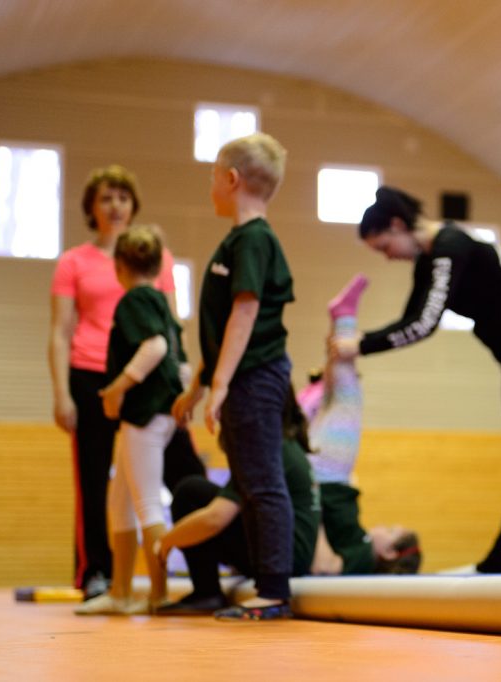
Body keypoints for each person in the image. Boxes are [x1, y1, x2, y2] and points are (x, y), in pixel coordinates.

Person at [331, 186, 501, 573]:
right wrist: (364, 342)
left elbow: (424, 323)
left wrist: (361, 344)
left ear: (397, 225)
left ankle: (496, 565)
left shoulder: (449, 247)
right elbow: (411, 320)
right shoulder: (430, 261)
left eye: (384, 246)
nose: (388, 257)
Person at [48, 165, 204, 600]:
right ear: (91, 208)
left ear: (133, 205)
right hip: (93, 375)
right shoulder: (74, 261)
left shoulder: (156, 258)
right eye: (106, 198)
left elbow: (168, 330)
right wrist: (62, 393)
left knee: (183, 473)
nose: (115, 205)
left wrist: (185, 385)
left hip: (149, 383)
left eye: (122, 197)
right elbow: (60, 332)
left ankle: (200, 567)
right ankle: (99, 574)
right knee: (100, 482)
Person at [156, 381, 420, 616]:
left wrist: (164, 543)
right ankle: (210, 590)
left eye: (390, 531)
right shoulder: (287, 447)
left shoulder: (272, 449)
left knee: (191, 492)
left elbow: (216, 517)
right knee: (198, 492)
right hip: (291, 556)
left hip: (286, 560)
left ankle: (209, 592)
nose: (383, 528)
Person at [172, 132, 296, 621]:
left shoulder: (254, 239)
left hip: (256, 377)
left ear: (231, 179)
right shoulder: (239, 240)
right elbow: (222, 326)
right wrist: (199, 385)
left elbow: (244, 313)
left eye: (211, 176)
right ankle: (267, 585)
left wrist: (220, 384)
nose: (209, 186)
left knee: (262, 482)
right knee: (249, 482)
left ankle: (274, 591)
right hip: (241, 375)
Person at [75, 226, 184, 615]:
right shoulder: (160, 302)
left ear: (119, 266)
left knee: (147, 504)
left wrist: (117, 388)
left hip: (144, 415)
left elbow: (155, 347)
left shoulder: (134, 300)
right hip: (153, 415)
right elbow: (180, 360)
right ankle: (121, 591)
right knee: (120, 501)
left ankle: (159, 594)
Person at [301, 274, 422, 578]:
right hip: (326, 479)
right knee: (335, 398)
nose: (382, 526)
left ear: (389, 553)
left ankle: (344, 318)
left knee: (346, 399)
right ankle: (340, 321)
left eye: (390, 530)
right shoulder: (359, 546)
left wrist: (311, 500)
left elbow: (324, 566)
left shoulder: (364, 559)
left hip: (324, 477)